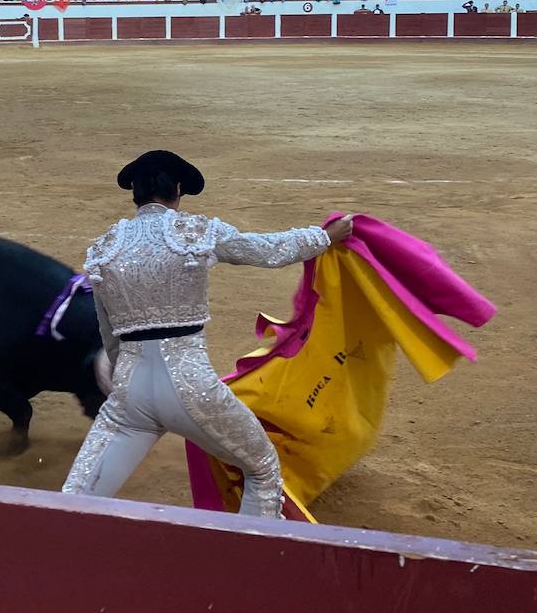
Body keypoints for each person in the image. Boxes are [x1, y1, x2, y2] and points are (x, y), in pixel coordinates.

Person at [62, 151, 352, 518]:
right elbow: (266, 250)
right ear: (178, 189)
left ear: (135, 193)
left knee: (74, 500)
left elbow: (109, 332)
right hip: (191, 387)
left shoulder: (104, 248)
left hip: (129, 391)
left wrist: (124, 386)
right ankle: (250, 567)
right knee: (262, 467)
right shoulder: (193, 231)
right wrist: (323, 237)